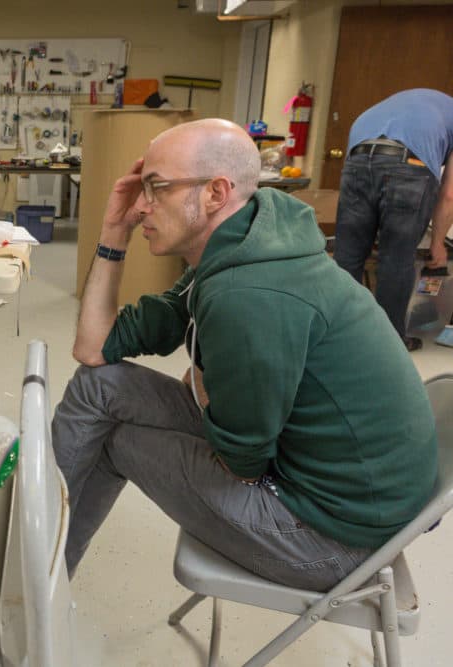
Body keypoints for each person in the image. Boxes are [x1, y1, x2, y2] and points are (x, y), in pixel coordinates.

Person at [53, 118, 437, 592]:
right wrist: (113, 232)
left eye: (156, 188)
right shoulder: (241, 243)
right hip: (309, 474)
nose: (140, 206)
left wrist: (202, 383)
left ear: (215, 193)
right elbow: (94, 348)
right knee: (98, 386)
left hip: (334, 540)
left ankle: (37, 578)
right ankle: (38, 552)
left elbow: (242, 463)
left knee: (116, 442)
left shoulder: (247, 293)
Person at [333, 89, 453, 352]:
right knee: (395, 258)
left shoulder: (408, 103)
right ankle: (387, 345)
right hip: (409, 165)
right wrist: (438, 243)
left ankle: (335, 335)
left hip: (358, 159)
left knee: (347, 256)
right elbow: (449, 194)